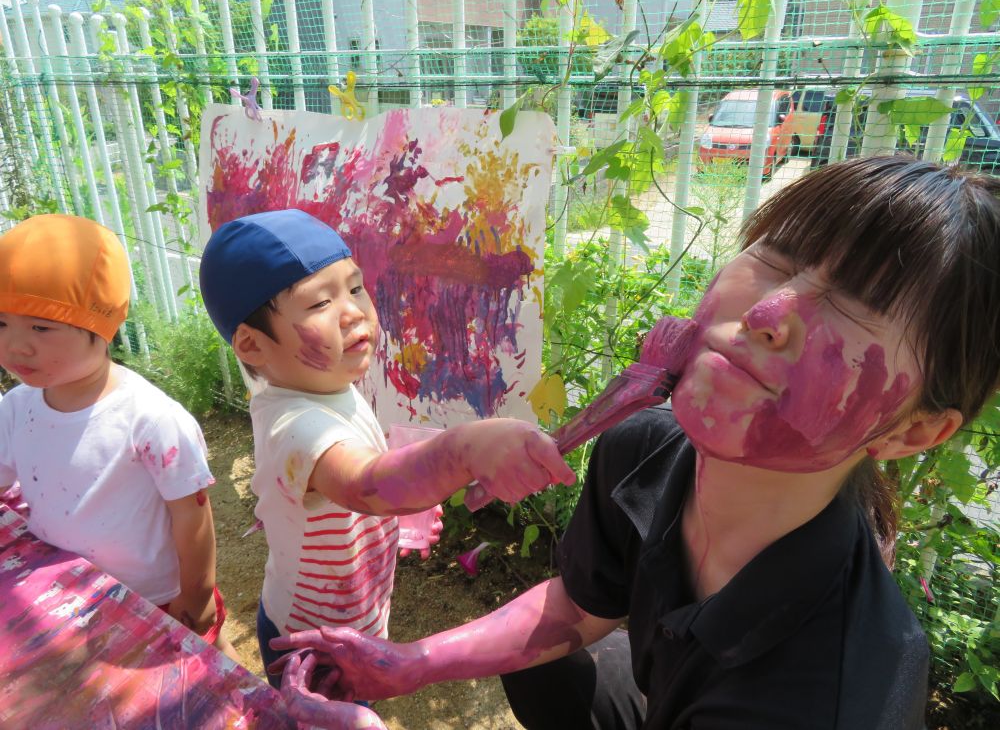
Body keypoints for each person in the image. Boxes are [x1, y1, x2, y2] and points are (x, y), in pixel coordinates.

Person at [266, 156, 1000, 729]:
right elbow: (581, 608)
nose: (771, 312)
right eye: (778, 257)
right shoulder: (644, 448)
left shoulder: (834, 697)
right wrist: (410, 663)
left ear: (913, 432)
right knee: (545, 669)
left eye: (856, 304)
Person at [198, 209, 575, 694]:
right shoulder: (293, 424)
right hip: (312, 640)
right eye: (319, 304)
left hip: (359, 618)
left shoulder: (326, 383)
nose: (353, 311)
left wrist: (393, 520)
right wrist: (463, 451)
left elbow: (363, 490)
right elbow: (366, 485)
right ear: (251, 345)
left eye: (354, 288)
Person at [0, 215, 237, 659]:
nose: (16, 347)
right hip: (71, 597)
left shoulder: (150, 420)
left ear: (101, 323)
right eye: (1, 324)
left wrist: (199, 595)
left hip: (157, 596)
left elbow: (192, 516)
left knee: (208, 669)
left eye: (41, 327)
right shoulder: (16, 408)